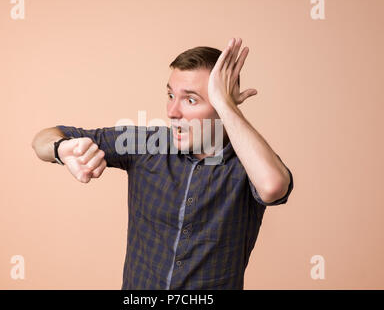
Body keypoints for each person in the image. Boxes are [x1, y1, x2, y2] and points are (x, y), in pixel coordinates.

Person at [31, 37, 294, 289]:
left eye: (191, 100)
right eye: (170, 96)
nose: (172, 112)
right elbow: (43, 139)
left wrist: (227, 107)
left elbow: (273, 187)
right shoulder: (145, 144)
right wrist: (61, 148)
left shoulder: (248, 163)